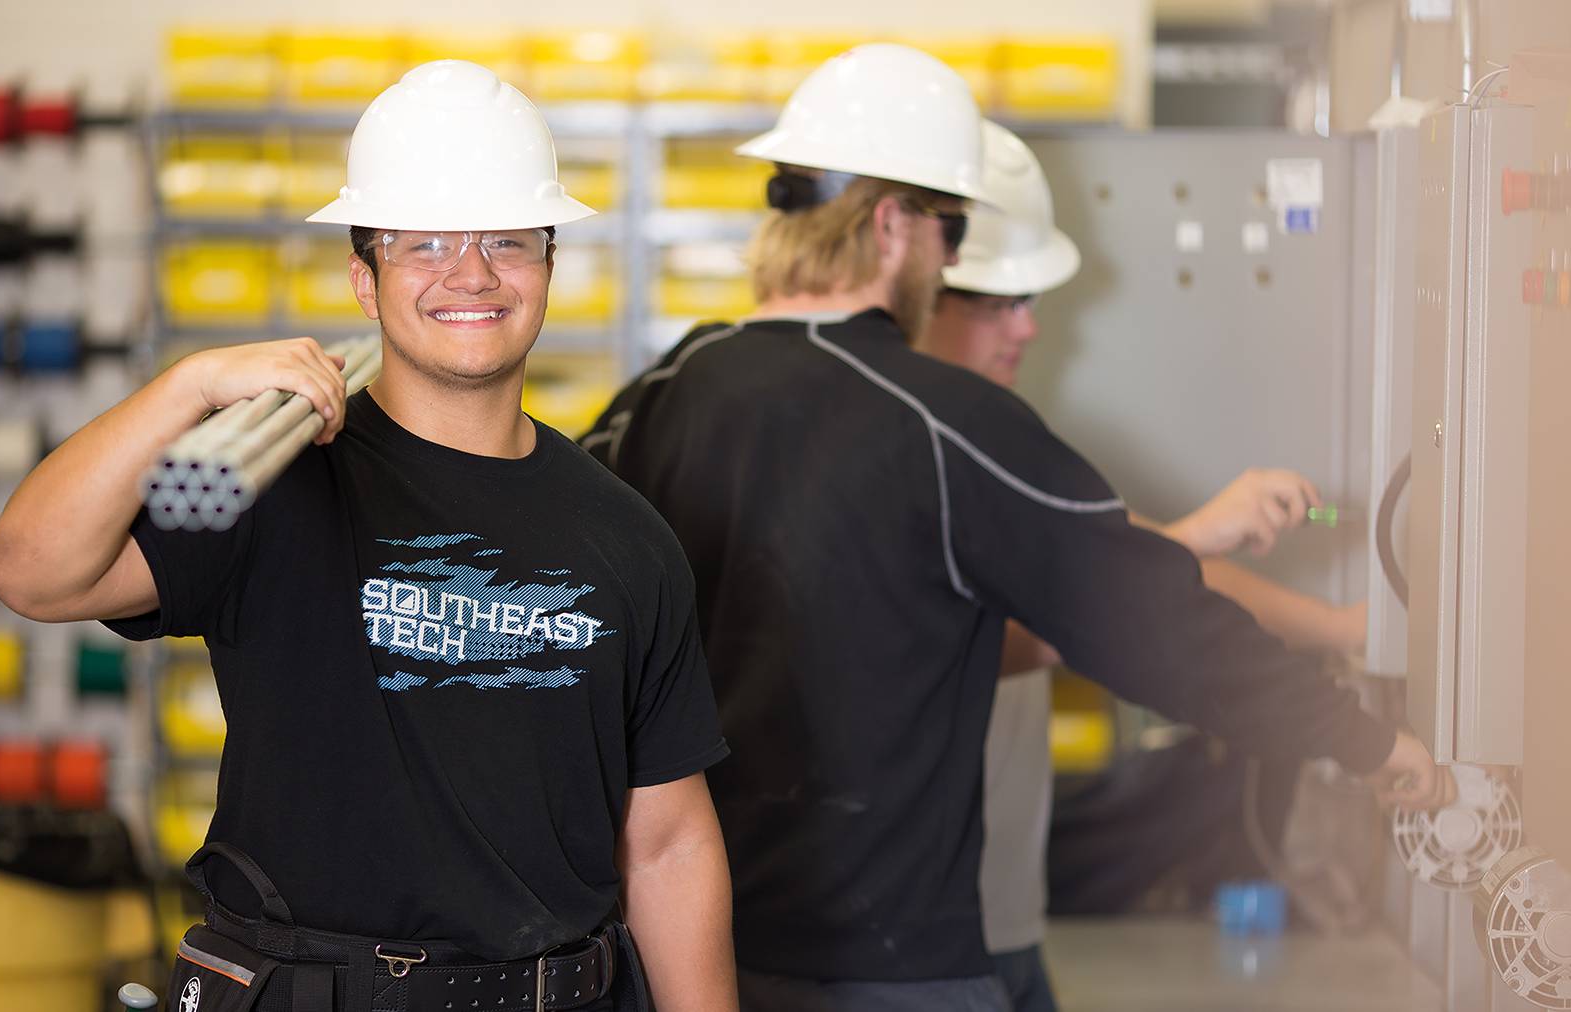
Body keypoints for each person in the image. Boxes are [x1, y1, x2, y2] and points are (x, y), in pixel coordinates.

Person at [579, 43, 1451, 1012]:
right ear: (893, 224)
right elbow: (1156, 629)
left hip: (680, 943)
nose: (951, 262)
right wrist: (1368, 740)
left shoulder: (664, 389)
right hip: (882, 956)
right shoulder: (945, 420)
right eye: (954, 234)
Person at [0, 60, 736, 1012]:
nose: (472, 273)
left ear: (549, 265)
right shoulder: (271, 484)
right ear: (363, 277)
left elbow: (667, 840)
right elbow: (29, 571)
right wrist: (188, 385)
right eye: (425, 243)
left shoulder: (628, 536)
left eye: (508, 240)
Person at [919, 120, 1370, 1012]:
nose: (1030, 327)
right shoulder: (911, 456)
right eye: (999, 303)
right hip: (932, 933)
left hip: (1000, 912)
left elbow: (1141, 568)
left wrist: (1349, 632)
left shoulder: (995, 443)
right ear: (921, 286)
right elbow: (1029, 621)